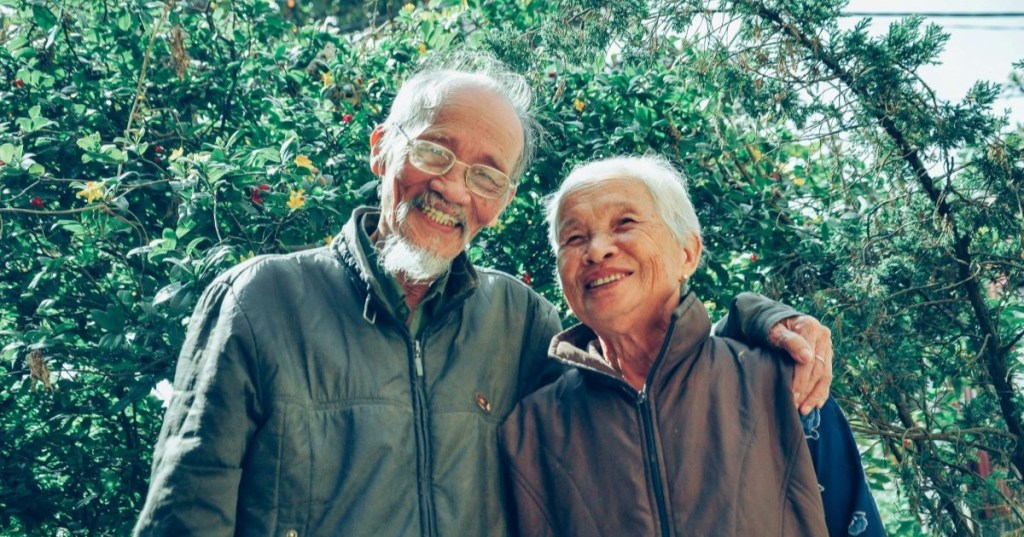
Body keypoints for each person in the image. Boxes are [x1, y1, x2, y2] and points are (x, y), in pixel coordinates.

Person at [134, 55, 836, 536]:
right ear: (383, 149)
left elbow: (641, 368)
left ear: (500, 201)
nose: (451, 187)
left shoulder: (521, 322)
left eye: (487, 174)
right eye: (434, 150)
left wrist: (761, 319)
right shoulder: (264, 299)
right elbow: (184, 513)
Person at [499, 156, 884, 536]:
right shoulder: (531, 430)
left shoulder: (783, 382)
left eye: (625, 223)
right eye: (574, 238)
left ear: (688, 254)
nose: (597, 250)